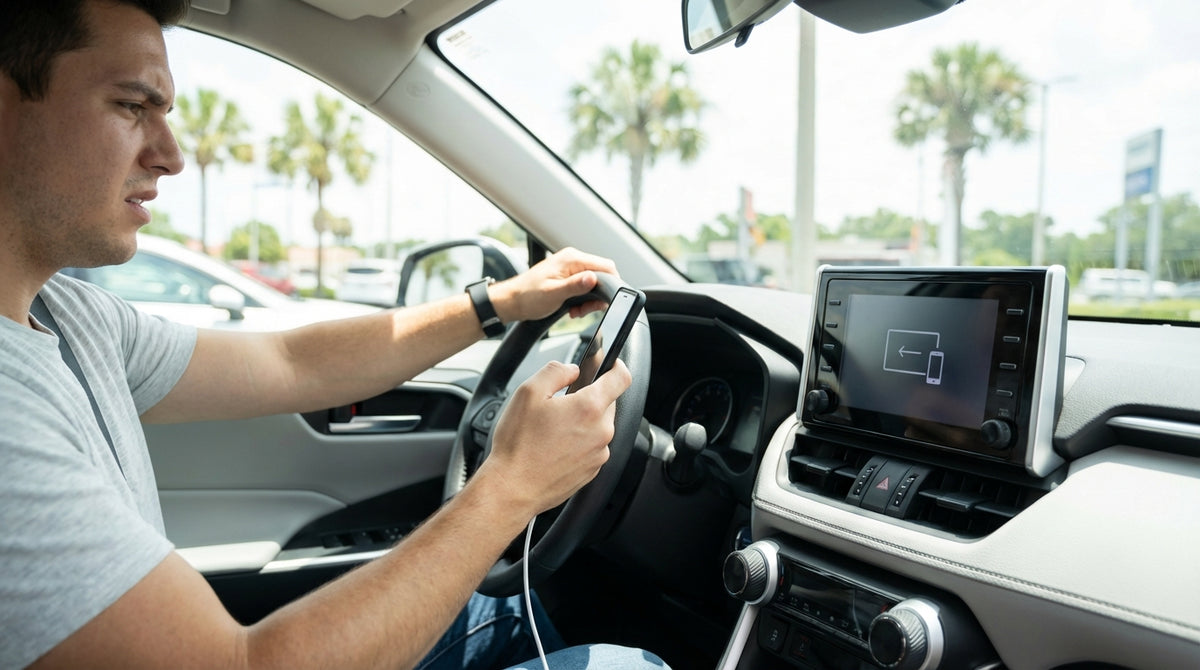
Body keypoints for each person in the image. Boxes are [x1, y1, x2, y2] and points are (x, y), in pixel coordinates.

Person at [0, 1, 668, 669]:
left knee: (512, 608)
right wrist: (512, 486)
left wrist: (495, 303)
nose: (171, 156)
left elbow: (291, 361)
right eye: (130, 106)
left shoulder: (70, 315)